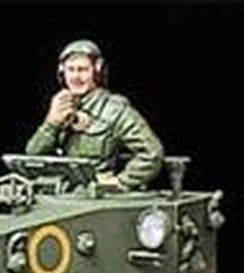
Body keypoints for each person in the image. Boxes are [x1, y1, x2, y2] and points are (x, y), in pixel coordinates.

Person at [24, 39, 165, 191]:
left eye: (83, 70)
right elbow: (32, 156)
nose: (76, 77)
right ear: (62, 73)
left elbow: (152, 154)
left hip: (97, 195)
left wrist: (120, 182)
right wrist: (51, 123)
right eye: (71, 70)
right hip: (63, 192)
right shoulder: (62, 106)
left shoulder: (114, 110)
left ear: (97, 72)